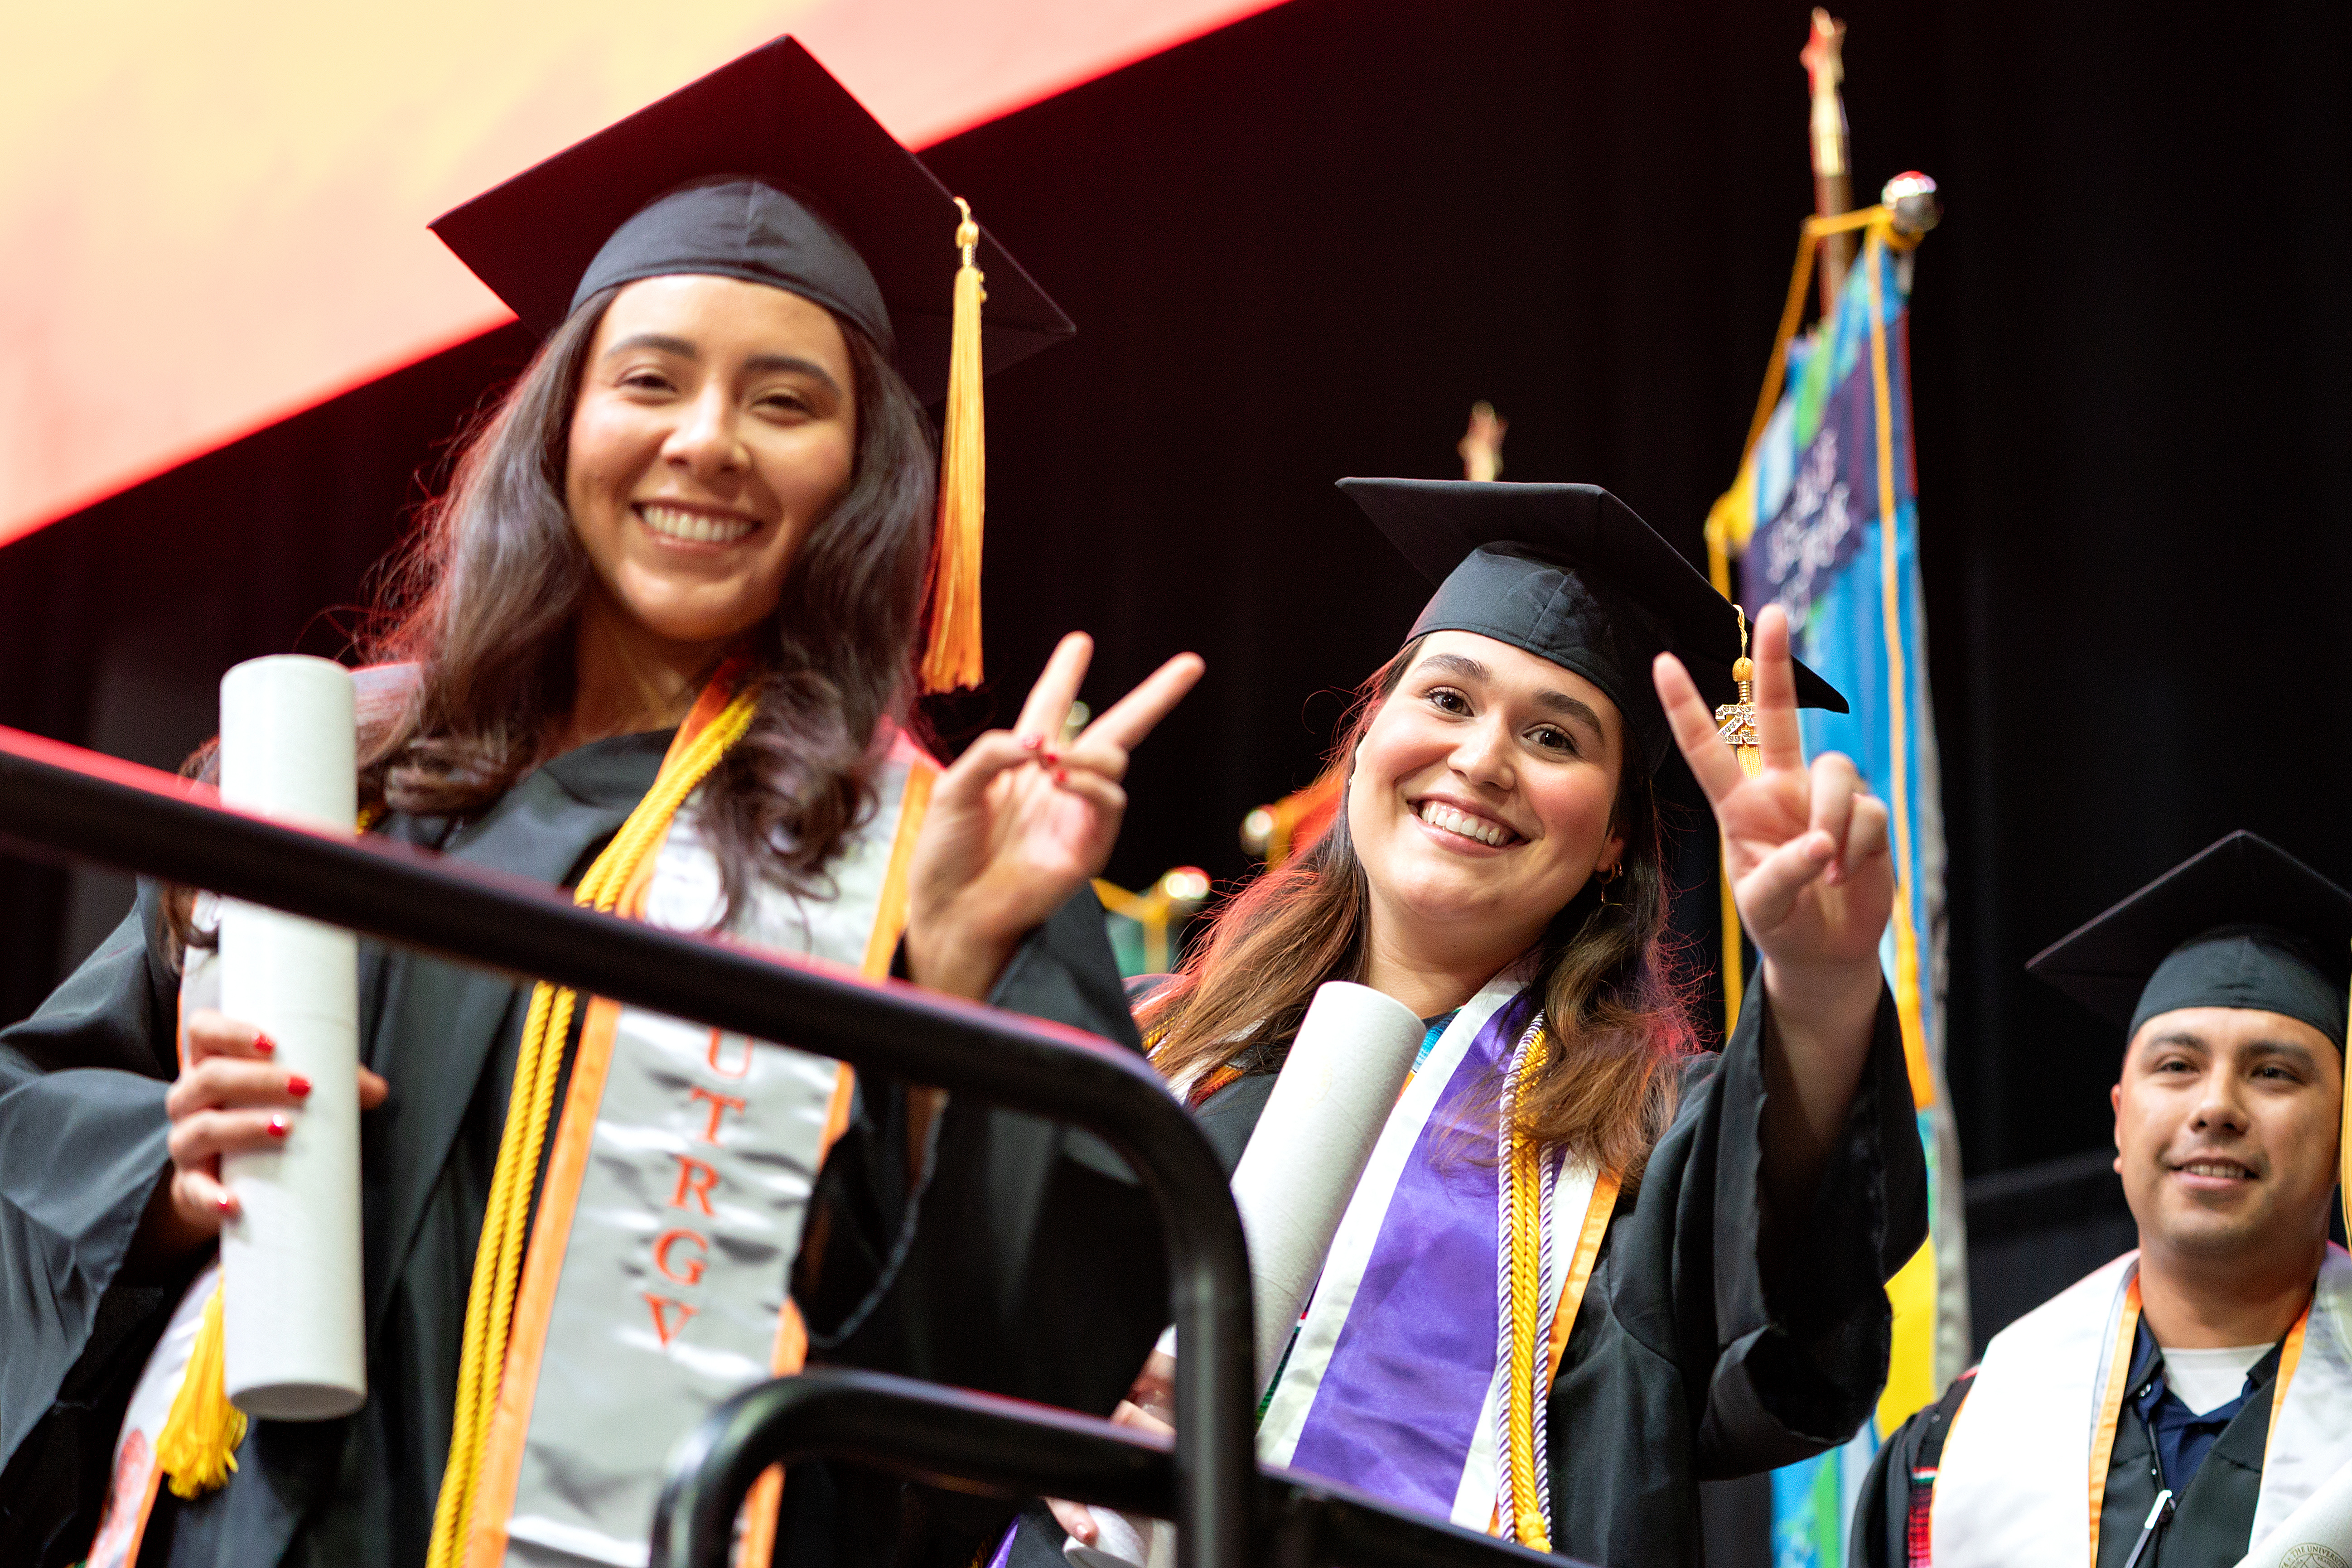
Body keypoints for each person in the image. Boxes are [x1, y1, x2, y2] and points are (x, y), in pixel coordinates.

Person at [0, 36, 1200, 1568]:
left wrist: (948, 989)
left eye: (785, 400)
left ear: (863, 469)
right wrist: (160, 1184)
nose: (707, 440)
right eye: (652, 379)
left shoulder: (916, 850)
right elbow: (35, 1113)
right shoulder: (334, 779)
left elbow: (1007, 1369)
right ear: (561, 423)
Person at [1025, 477, 1928, 1568]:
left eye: (1554, 737)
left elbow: (1797, 1321)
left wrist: (1821, 982)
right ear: (1365, 738)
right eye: (1447, 700)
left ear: (1612, 842)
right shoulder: (1152, 1050)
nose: (1483, 760)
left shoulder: (1638, 1155)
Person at [1850, 830, 2352, 1568]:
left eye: (2274, 1073)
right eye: (2177, 1064)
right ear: (2120, 1118)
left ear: (2345, 1133)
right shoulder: (1961, 1439)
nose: (2216, 1106)